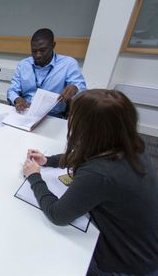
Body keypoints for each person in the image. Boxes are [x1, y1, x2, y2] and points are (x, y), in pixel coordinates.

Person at [22, 89, 158, 276]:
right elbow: (89, 155)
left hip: (125, 265)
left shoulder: (100, 174)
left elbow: (58, 215)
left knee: (46, 253)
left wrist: (34, 176)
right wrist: (49, 160)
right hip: (146, 250)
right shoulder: (132, 145)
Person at [7, 28, 86, 117]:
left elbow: (81, 88)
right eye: (34, 51)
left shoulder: (68, 64)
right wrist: (17, 99)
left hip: (52, 115)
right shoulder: (23, 65)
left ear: (53, 46)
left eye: (42, 50)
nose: (38, 55)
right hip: (25, 111)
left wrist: (75, 88)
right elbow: (12, 90)